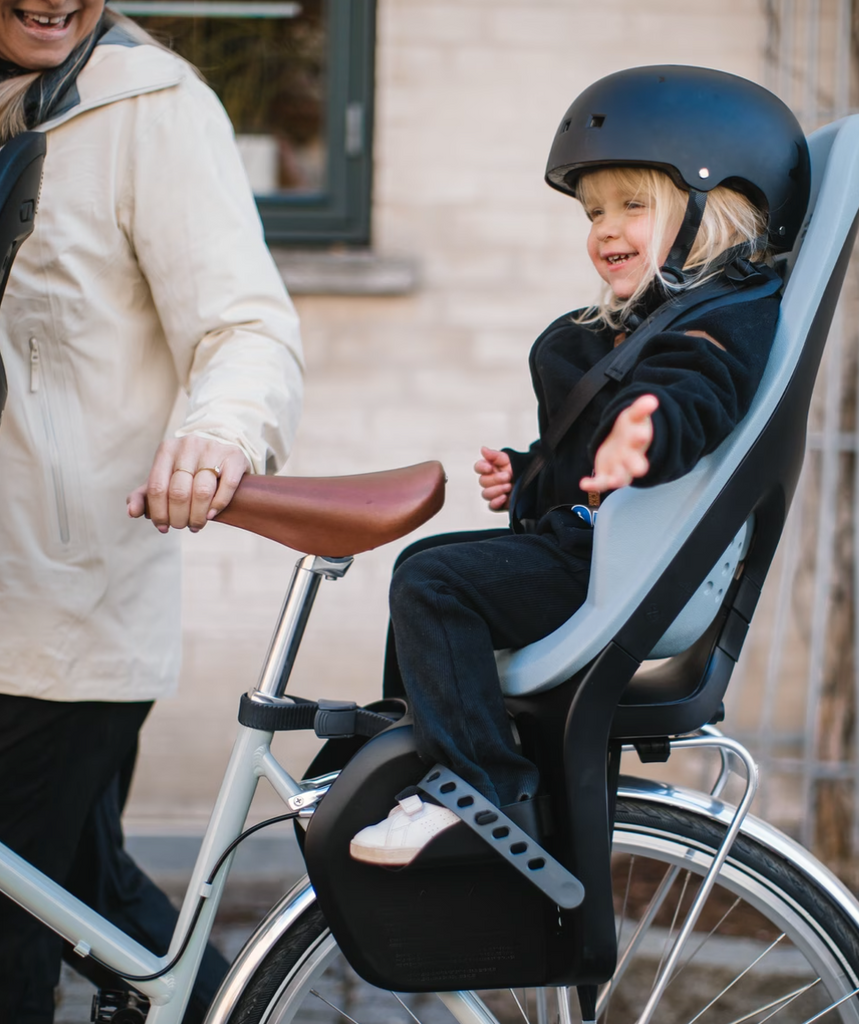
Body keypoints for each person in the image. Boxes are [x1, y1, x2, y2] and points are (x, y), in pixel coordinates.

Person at [351, 65, 810, 867]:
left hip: (628, 568)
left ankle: (476, 790)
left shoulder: (717, 321)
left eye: (634, 204)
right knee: (429, 564)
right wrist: (529, 476)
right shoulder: (640, 326)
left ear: (716, 207)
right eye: (594, 210)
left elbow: (694, 397)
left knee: (434, 584)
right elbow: (583, 472)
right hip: (597, 548)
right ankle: (406, 754)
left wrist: (648, 432)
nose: (604, 228)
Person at [0, 3, 303, 1022]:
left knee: (11, 934)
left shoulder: (153, 106)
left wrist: (221, 432)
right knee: (89, 895)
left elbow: (244, 324)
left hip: (58, 611)